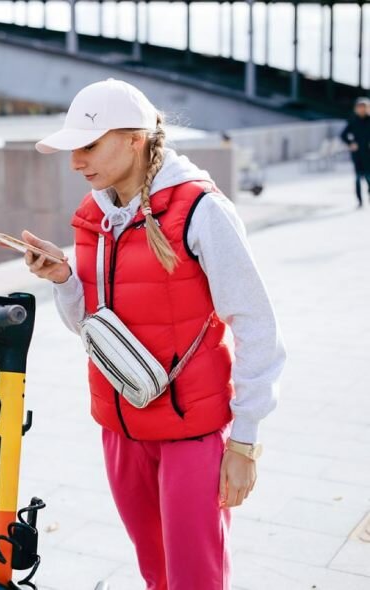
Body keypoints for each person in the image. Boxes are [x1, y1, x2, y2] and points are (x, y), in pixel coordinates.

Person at [20, 79, 286, 589]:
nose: (76, 161)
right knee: (155, 573)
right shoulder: (94, 217)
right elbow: (89, 327)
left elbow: (257, 323)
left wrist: (245, 444)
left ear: (134, 138)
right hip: (120, 427)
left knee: (194, 578)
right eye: (73, 148)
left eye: (89, 145)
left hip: (192, 432)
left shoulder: (202, 211)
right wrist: (65, 280)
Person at [341, 97, 370, 208]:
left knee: (368, 176)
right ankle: (359, 201)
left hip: (368, 154)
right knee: (358, 178)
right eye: (359, 107)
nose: (361, 109)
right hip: (357, 155)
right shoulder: (353, 121)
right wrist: (350, 143)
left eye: (364, 107)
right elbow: (343, 135)